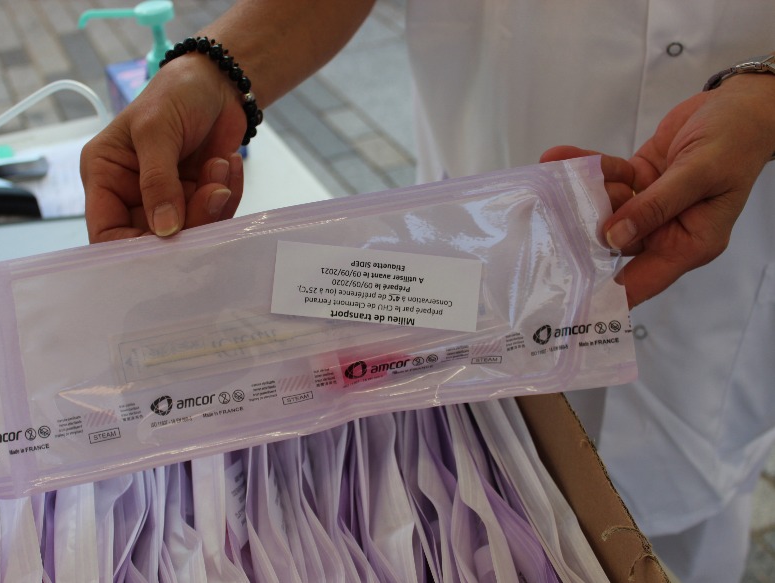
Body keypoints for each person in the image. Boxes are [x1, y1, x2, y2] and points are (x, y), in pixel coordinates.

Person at [80, 1, 775, 581]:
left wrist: (765, 97)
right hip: (471, 275)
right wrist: (216, 67)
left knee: (686, 538)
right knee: (453, 501)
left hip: (723, 290)